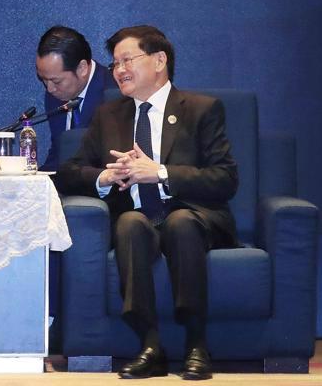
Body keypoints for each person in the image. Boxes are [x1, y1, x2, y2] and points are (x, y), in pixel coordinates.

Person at [56, 25, 238, 380]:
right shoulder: (109, 115)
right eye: (115, 63)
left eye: (127, 60)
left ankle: (197, 344)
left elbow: (225, 179)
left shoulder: (201, 110)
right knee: (129, 224)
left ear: (159, 60)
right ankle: (150, 345)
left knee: (181, 222)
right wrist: (104, 178)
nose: (119, 69)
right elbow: (69, 172)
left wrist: (161, 173)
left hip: (196, 218)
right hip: (138, 217)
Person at [36, 25, 116, 171]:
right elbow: (58, 157)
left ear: (82, 68)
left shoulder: (115, 94)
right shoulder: (55, 93)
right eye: (43, 80)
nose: (49, 89)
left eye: (56, 81)